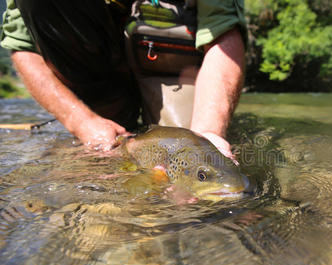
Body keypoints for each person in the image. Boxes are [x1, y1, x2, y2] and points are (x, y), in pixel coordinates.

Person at [0, 0, 246, 158]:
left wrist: (207, 133)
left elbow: (222, 32)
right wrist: (81, 121)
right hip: (95, 67)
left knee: (183, 150)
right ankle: (108, 115)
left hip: (168, 62)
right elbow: (23, 46)